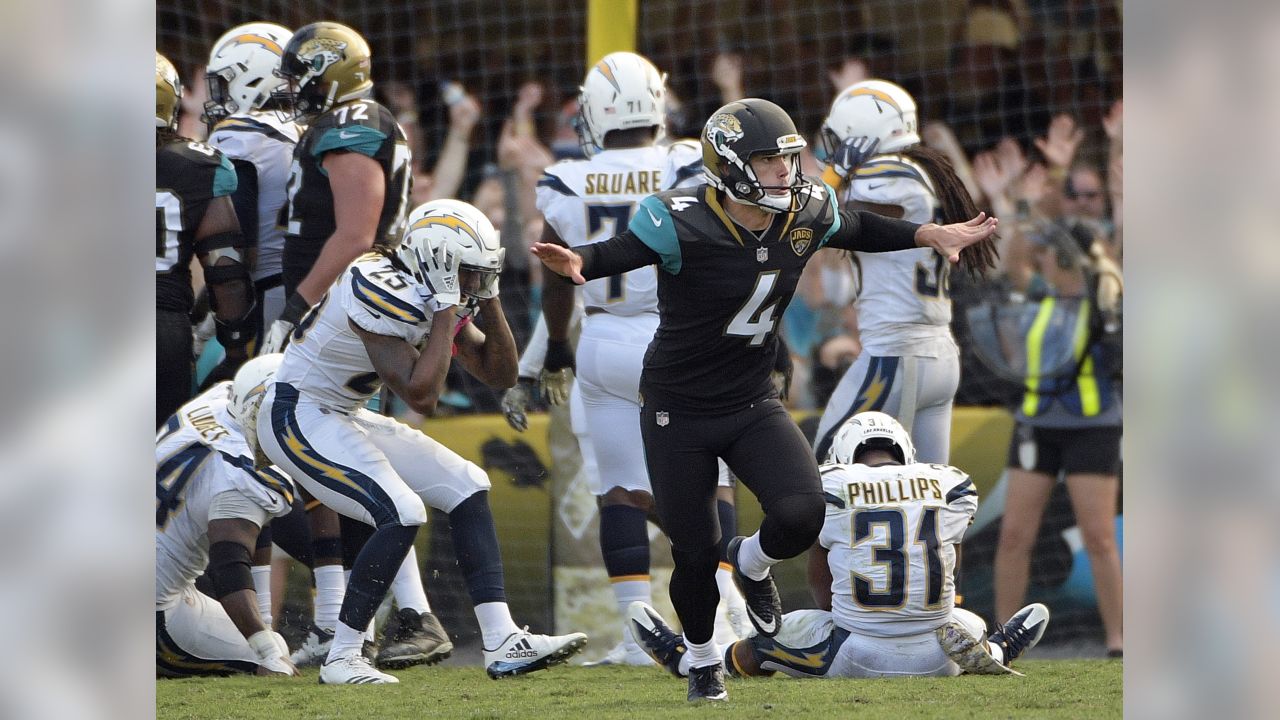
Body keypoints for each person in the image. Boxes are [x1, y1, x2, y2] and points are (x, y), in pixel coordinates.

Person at [532, 97, 998, 702]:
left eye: (789, 157)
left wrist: (926, 232)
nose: (787, 170)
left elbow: (856, 225)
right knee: (694, 553)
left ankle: (750, 564)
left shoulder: (805, 208)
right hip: (678, 407)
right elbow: (621, 253)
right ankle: (701, 659)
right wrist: (580, 262)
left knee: (805, 511)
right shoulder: (678, 217)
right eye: (771, 160)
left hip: (751, 400)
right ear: (731, 165)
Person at [259, 199, 587, 684]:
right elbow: (421, 393)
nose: (476, 282)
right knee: (402, 510)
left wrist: (488, 298)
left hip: (342, 414)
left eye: (483, 272)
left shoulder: (431, 287)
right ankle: (343, 656)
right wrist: (446, 307)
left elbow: (500, 373)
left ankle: (501, 640)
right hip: (297, 413)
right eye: (471, 272)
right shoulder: (373, 283)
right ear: (436, 259)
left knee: (467, 482)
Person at [534, 51, 748, 666]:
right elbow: (725, 251)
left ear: (596, 110)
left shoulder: (564, 178)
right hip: (682, 337)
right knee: (715, 482)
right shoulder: (686, 162)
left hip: (601, 339)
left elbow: (553, 278)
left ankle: (635, 636)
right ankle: (729, 607)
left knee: (620, 492)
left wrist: (554, 346)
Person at [628, 411, 1050, 680]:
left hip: (855, 652)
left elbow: (826, 590)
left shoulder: (834, 486)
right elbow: (947, 560)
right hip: (938, 655)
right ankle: (995, 648)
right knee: (964, 618)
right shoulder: (950, 484)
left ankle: (695, 661)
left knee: (781, 633)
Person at [811, 79, 997, 464]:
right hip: (935, 354)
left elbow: (816, 218)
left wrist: (833, 176)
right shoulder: (919, 170)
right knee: (930, 496)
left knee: (820, 472)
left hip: (897, 353)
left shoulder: (886, 172)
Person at [993, 218, 1124, 658]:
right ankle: (1001, 640)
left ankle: (1118, 642)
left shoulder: (1105, 300)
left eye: (1049, 251)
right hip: (1036, 424)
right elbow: (1013, 262)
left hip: (1093, 426)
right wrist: (1018, 207)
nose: (1040, 257)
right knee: (1014, 536)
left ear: (1067, 259)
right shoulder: (1039, 295)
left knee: (1099, 537)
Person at [156, 354, 299, 678]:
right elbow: (229, 569)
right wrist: (265, 649)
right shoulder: (243, 476)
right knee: (273, 650)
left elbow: (254, 523)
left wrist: (263, 614)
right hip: (152, 612)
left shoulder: (216, 401)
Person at [156, 52, 255, 427]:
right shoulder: (198, 165)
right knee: (160, 458)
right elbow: (225, 267)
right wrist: (234, 344)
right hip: (161, 329)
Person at [202, 22, 301, 350]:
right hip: (315, 292)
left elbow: (236, 248)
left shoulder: (241, 133)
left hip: (266, 298)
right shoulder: (305, 131)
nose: (216, 96)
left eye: (222, 83)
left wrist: (200, 321)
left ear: (251, 78)